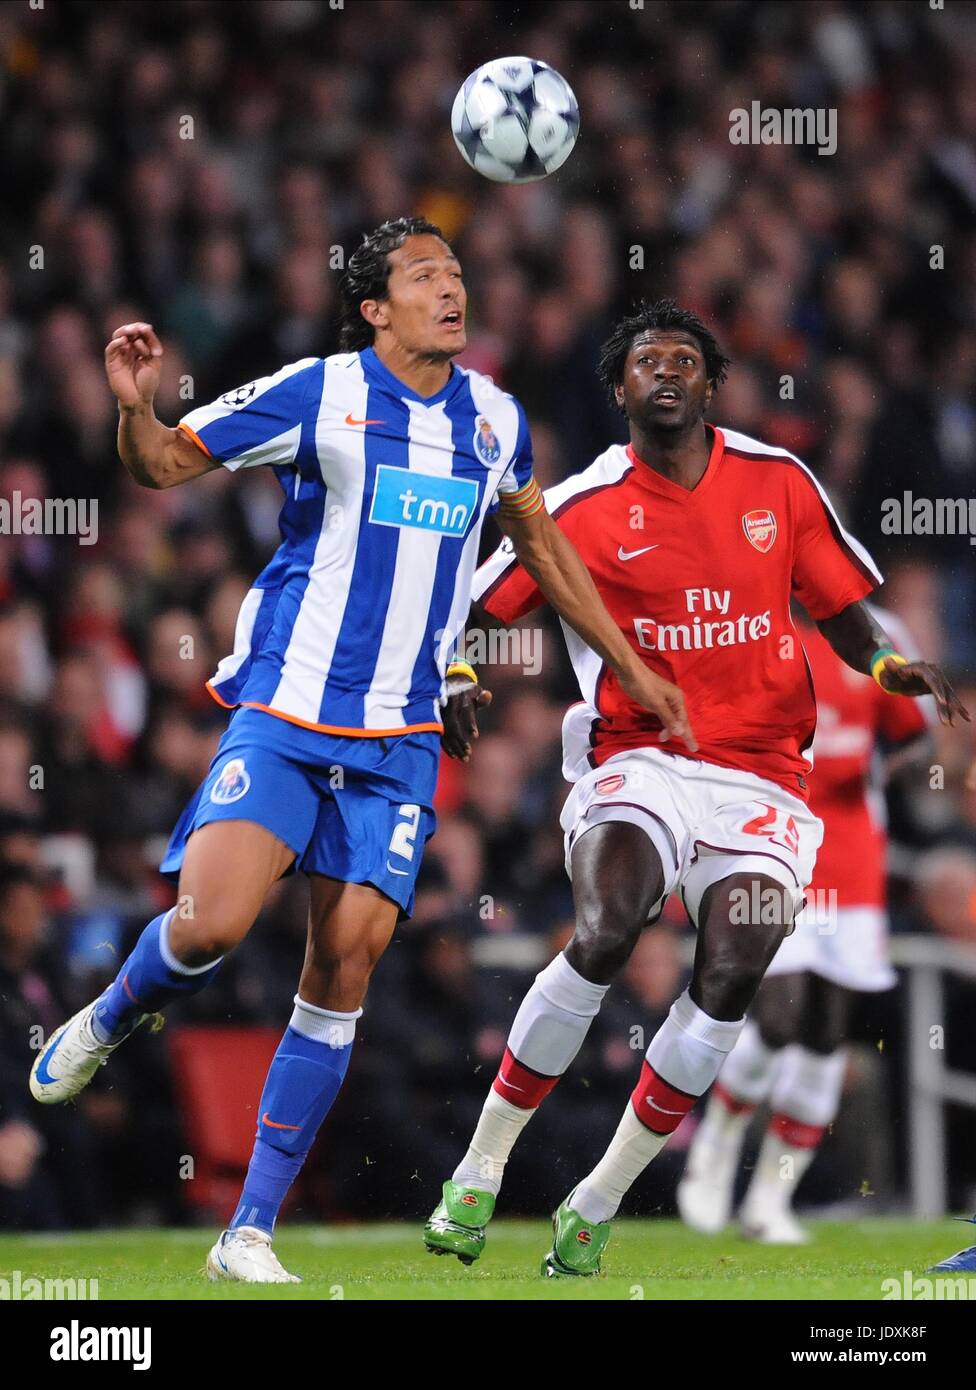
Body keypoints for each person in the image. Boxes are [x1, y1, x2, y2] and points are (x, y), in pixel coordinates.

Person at [28, 220, 689, 1284]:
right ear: (375, 306)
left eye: (459, 275)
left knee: (339, 974)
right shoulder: (316, 392)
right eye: (425, 276)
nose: (451, 290)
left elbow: (542, 553)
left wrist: (625, 666)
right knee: (208, 928)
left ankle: (249, 1229)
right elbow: (158, 466)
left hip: (401, 740)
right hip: (289, 713)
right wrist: (132, 404)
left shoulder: (492, 419)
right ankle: (112, 1013)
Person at [423, 298, 968, 1277]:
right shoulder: (583, 505)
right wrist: (459, 671)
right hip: (638, 757)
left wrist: (891, 670)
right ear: (620, 388)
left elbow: (846, 612)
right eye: (644, 361)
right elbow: (476, 603)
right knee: (606, 928)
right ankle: (480, 1166)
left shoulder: (778, 483)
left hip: (763, 777)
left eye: (684, 358)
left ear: (712, 383)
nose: (664, 371)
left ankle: (596, 1201)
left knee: (731, 974)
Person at [677, 604, 934, 1244]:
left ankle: (771, 1198)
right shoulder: (742, 632)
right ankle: (717, 1144)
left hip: (853, 863)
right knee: (779, 1014)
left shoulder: (873, 641)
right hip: (776, 849)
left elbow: (915, 733)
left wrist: (881, 768)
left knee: (826, 1034)